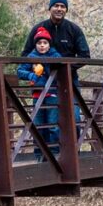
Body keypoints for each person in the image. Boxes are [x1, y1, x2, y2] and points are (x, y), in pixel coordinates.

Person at [17, 27, 61, 162]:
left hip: (52, 95)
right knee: (38, 126)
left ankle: (55, 154)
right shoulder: (31, 57)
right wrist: (32, 74)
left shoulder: (56, 56)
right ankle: (39, 155)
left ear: (49, 44)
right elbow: (19, 71)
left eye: (45, 43)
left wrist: (45, 67)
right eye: (39, 43)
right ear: (35, 44)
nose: (42, 46)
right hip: (37, 96)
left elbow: (63, 71)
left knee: (53, 126)